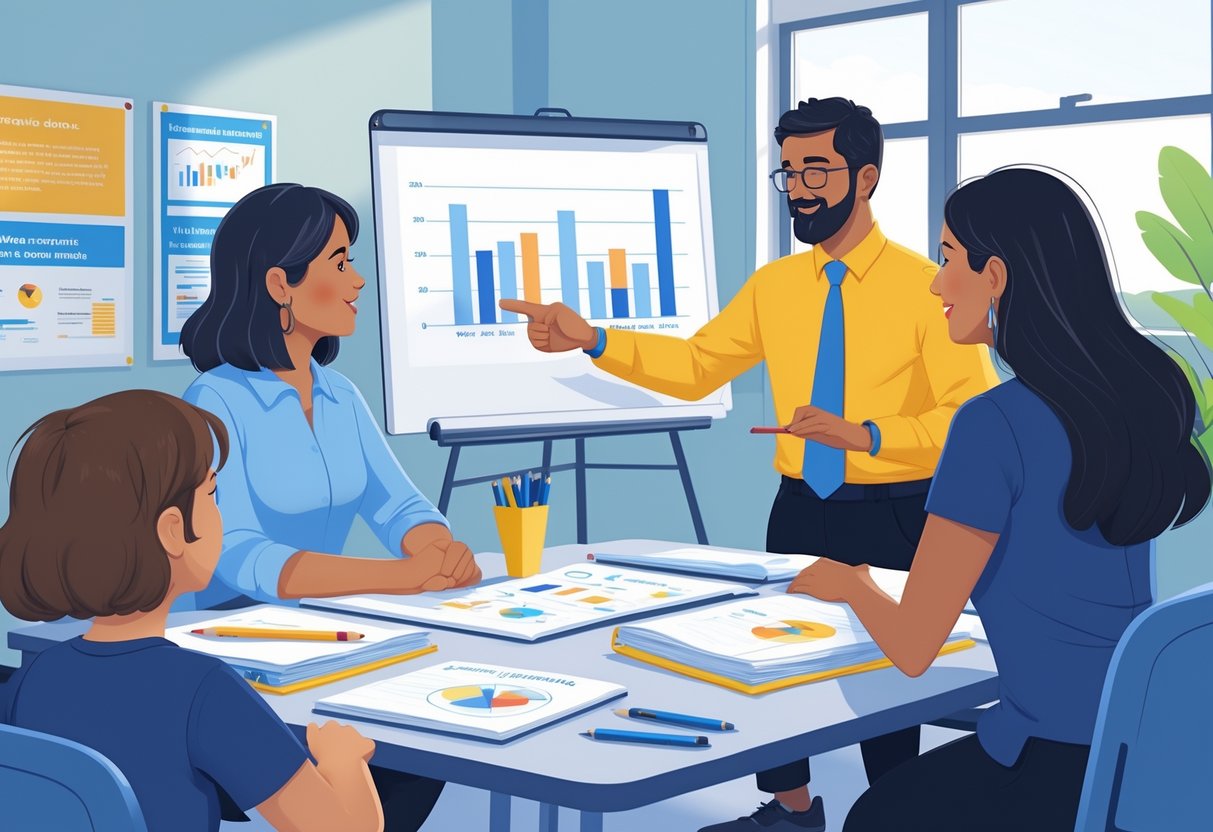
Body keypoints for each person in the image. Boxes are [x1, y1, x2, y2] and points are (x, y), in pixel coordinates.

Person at [502, 96, 998, 832]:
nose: (797, 186)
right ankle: (791, 810)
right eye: (788, 170)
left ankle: (893, 813)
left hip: (894, 511)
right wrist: (595, 339)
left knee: (887, 683)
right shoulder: (776, 286)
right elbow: (700, 365)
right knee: (770, 660)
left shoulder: (926, 287)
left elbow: (968, 415)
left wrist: (864, 434)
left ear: (864, 178)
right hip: (798, 505)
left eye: (815, 169)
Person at [789, 166, 1212, 831]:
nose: (935, 283)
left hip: (1051, 762)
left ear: (996, 276)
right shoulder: (1133, 395)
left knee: (872, 818)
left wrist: (850, 583)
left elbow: (911, 646)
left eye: (948, 257)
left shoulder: (994, 424)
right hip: (1144, 748)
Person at [180, 183, 479, 831]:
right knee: (402, 753)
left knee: (436, 731)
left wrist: (434, 546)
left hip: (328, 638)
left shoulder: (339, 394)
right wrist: (398, 577)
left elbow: (396, 501)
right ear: (280, 285)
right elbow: (242, 559)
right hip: (235, 657)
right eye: (339, 263)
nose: (358, 280)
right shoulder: (215, 400)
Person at [0, 390, 385, 832]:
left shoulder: (35, 677)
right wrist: (343, 760)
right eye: (212, 492)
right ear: (172, 531)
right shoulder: (204, 692)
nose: (220, 511)